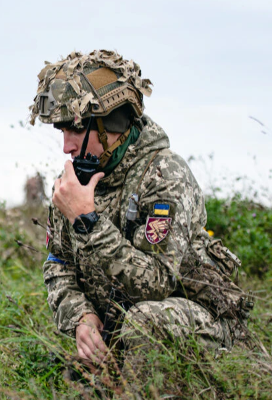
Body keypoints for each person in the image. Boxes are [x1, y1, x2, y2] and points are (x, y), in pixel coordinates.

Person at [29, 50, 253, 366]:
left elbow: (157, 284)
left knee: (145, 321)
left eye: (76, 129)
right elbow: (58, 263)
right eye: (61, 131)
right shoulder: (77, 179)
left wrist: (87, 220)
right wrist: (82, 316)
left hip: (200, 320)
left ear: (111, 123)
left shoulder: (164, 174)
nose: (66, 146)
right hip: (127, 335)